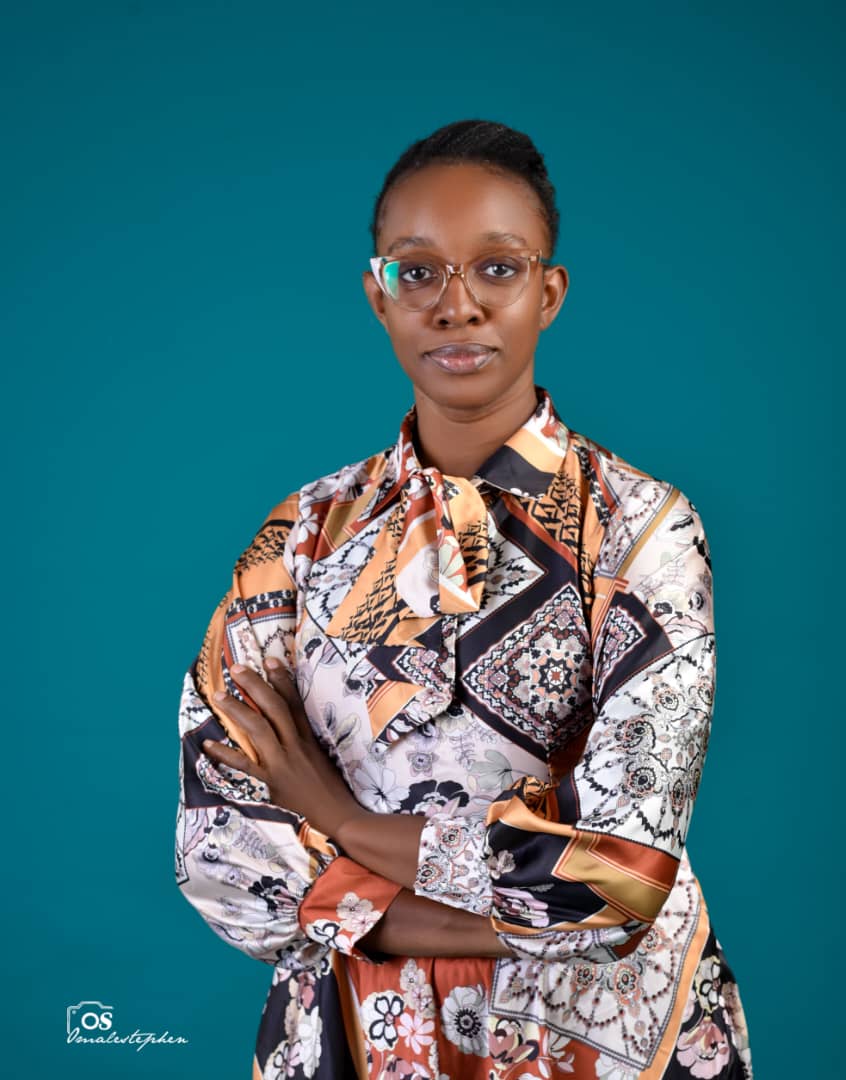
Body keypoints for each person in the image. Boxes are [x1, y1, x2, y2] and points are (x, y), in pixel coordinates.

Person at [174, 119, 753, 1080]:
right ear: (378, 295)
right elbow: (223, 853)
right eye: (417, 272)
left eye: (497, 268)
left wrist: (344, 825)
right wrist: (505, 913)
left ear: (547, 293)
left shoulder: (643, 531)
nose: (457, 305)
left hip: (603, 1042)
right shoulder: (303, 538)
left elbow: (620, 881)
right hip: (356, 1038)